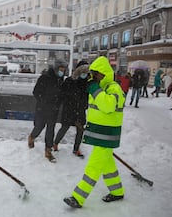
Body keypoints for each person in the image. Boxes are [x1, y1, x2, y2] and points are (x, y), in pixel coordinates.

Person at [64, 56, 125, 208]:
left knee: (93, 166)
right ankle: (117, 192)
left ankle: (78, 197)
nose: (93, 77)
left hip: (107, 135)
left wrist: (93, 88)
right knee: (107, 166)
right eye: (92, 74)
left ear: (104, 73)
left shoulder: (113, 88)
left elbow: (108, 106)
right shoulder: (100, 89)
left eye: (96, 74)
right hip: (101, 134)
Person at [28, 59, 67, 163]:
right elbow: (36, 92)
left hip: (54, 110)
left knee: (51, 129)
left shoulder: (61, 80)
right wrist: (45, 101)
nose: (62, 72)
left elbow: (61, 94)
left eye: (63, 70)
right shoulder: (45, 77)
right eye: (60, 69)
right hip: (42, 108)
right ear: (55, 69)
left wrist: (60, 101)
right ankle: (32, 137)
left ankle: (48, 151)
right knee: (39, 127)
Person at [53, 61, 90, 158]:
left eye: (86, 72)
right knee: (65, 127)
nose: (84, 74)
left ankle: (76, 149)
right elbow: (62, 93)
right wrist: (69, 99)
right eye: (83, 71)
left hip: (80, 109)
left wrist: (85, 104)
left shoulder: (87, 82)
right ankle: (55, 143)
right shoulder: (69, 81)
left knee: (80, 129)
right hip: (69, 109)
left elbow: (87, 96)